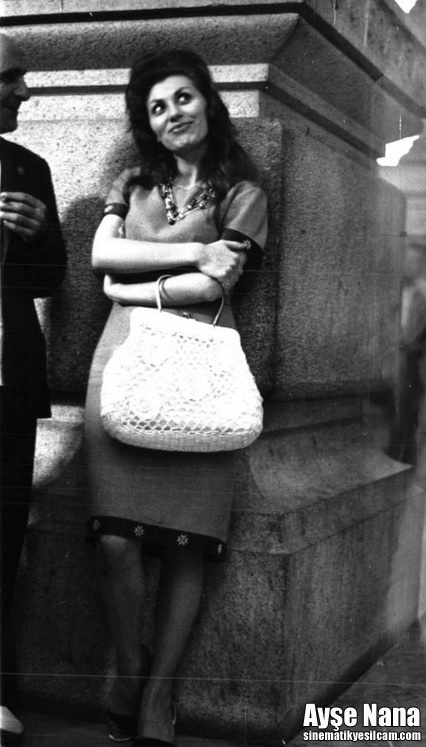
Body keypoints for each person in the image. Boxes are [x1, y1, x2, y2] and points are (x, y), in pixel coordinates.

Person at [85, 49, 267, 746]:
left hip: (201, 369)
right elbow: (102, 254)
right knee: (114, 541)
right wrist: (193, 251)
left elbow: (215, 286)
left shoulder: (244, 189)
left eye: (182, 98)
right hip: (122, 362)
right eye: (157, 107)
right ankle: (130, 671)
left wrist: (130, 288)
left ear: (208, 101)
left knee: (187, 548)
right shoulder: (132, 181)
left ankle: (159, 695)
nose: (171, 114)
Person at [0, 32, 67, 741]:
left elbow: (50, 278)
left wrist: (41, 233)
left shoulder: (29, 167)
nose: (24, 89)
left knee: (3, 532)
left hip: (7, 380)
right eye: (11, 76)